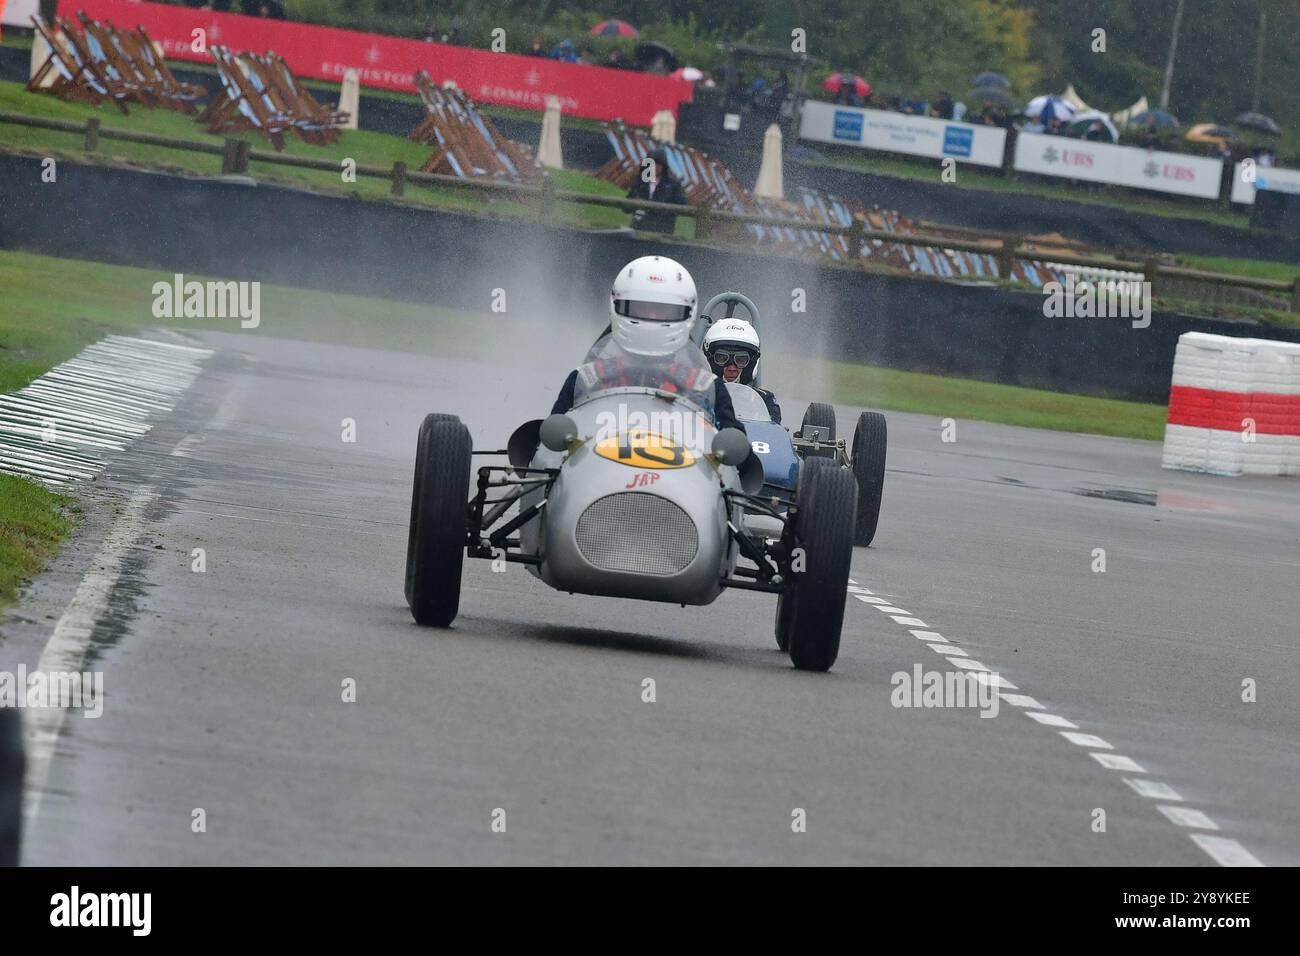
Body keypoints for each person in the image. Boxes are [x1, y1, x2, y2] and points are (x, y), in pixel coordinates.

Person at [550, 256, 743, 433]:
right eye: (641, 308)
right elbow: (549, 447)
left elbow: (738, 457)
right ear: (617, 306)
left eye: (663, 311)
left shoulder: (705, 388)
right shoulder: (586, 380)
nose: (652, 318)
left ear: (687, 313)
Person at [702, 318, 780, 423]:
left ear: (750, 363)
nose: (732, 368)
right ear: (710, 359)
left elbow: (771, 431)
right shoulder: (695, 396)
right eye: (722, 358)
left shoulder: (765, 400)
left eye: (740, 360)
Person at [626, 147, 688, 234]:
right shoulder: (640, 181)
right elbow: (626, 206)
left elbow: (682, 204)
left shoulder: (673, 185)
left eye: (657, 164)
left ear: (663, 166)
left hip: (661, 230)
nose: (654, 167)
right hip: (638, 227)